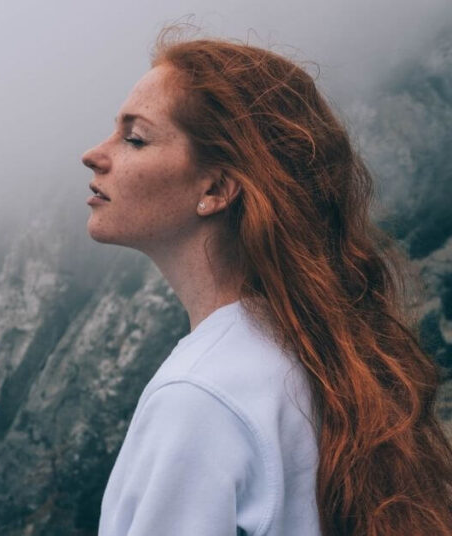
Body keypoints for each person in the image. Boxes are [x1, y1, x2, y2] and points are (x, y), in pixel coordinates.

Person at [81, 26, 452, 536]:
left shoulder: (200, 395)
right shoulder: (321, 355)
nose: (94, 154)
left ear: (216, 188)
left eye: (135, 138)